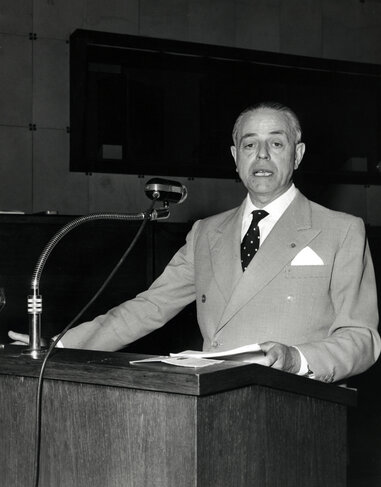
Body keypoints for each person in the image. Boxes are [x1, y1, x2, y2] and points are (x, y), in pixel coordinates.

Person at [9, 101, 381, 382]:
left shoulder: (341, 230)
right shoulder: (206, 232)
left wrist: (297, 358)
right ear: (235, 158)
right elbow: (149, 307)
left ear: (297, 154)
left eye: (276, 144)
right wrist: (57, 346)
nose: (262, 156)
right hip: (210, 405)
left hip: (297, 407)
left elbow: (362, 338)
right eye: (250, 145)